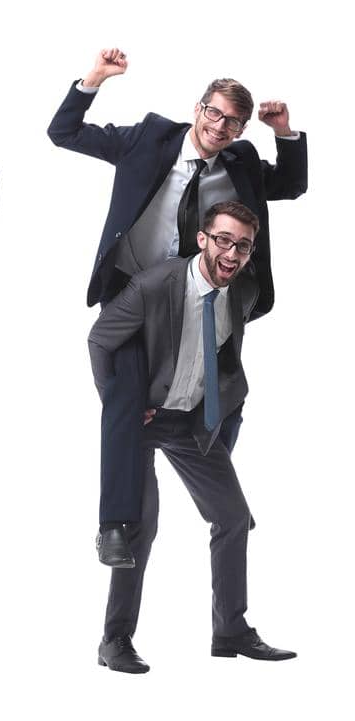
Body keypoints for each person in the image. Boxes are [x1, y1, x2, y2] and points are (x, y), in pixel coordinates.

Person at [46, 48, 306, 568]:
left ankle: (219, 488)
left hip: (197, 298)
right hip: (131, 290)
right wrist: (94, 79)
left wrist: (283, 132)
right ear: (198, 109)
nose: (220, 126)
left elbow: (292, 185)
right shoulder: (148, 137)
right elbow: (64, 132)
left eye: (232, 122)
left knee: (226, 387)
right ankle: (116, 525)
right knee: (124, 395)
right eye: (214, 113)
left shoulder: (241, 161)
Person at [87, 201, 295, 673]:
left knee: (233, 517)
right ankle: (115, 640)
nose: (232, 252)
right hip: (144, 419)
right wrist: (120, 403)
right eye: (223, 239)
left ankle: (231, 631)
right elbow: (100, 339)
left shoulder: (241, 290)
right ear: (202, 239)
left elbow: (222, 351)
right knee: (140, 526)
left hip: (193, 421)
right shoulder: (155, 284)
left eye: (242, 245)